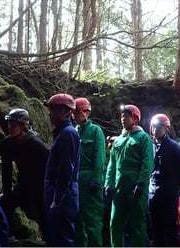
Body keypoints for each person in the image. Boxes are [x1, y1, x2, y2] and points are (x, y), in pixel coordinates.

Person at [104, 104, 153, 247]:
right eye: (122, 116)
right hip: (119, 188)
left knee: (137, 224)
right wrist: (108, 183)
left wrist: (142, 183)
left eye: (126, 116)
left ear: (135, 118)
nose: (123, 119)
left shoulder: (143, 138)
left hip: (135, 188)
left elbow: (147, 163)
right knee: (115, 223)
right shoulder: (118, 140)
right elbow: (112, 164)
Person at [0, 108, 49, 239]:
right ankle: (6, 237)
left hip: (40, 185)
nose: (10, 128)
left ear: (23, 126)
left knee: (44, 215)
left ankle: (48, 241)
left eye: (13, 125)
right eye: (9, 124)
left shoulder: (37, 146)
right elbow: (6, 168)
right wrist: (7, 190)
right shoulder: (8, 143)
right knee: (4, 204)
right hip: (24, 183)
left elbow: (49, 169)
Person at [43, 93, 81, 246]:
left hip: (64, 198)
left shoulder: (68, 134)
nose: (50, 114)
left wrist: (57, 200)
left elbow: (66, 169)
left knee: (62, 239)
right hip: (58, 195)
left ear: (65, 112)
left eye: (53, 110)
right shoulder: (61, 133)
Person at [147, 113, 180, 246]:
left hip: (168, 192)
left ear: (166, 129)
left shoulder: (174, 147)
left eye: (158, 127)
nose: (155, 130)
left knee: (171, 227)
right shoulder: (152, 146)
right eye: (153, 127)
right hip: (153, 191)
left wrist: (174, 186)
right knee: (155, 228)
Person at [72, 97, 106, 247]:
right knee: (77, 220)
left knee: (92, 221)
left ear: (85, 113)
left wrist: (96, 179)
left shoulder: (95, 131)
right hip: (76, 181)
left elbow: (99, 157)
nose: (74, 115)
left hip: (90, 181)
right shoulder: (74, 131)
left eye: (77, 112)